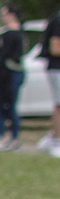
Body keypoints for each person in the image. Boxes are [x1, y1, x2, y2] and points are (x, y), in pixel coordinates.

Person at [0, 4, 26, 152]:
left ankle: (5, 137)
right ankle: (12, 138)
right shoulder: (20, 33)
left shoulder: (11, 34)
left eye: (5, 14)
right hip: (13, 73)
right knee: (10, 106)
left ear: (12, 15)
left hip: (8, 74)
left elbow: (4, 56)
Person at [37, 11, 60, 155]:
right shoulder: (59, 21)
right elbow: (55, 48)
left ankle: (52, 137)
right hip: (58, 68)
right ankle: (57, 141)